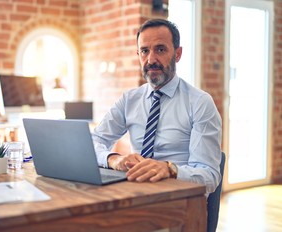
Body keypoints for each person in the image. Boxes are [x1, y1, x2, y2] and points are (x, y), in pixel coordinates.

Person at [92, 18, 222, 195]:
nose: (151, 59)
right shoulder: (129, 100)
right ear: (138, 55)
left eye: (160, 49)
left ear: (177, 54)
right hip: (135, 194)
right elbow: (93, 141)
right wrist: (113, 159)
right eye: (144, 51)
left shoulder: (200, 103)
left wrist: (170, 170)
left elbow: (209, 176)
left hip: (180, 202)